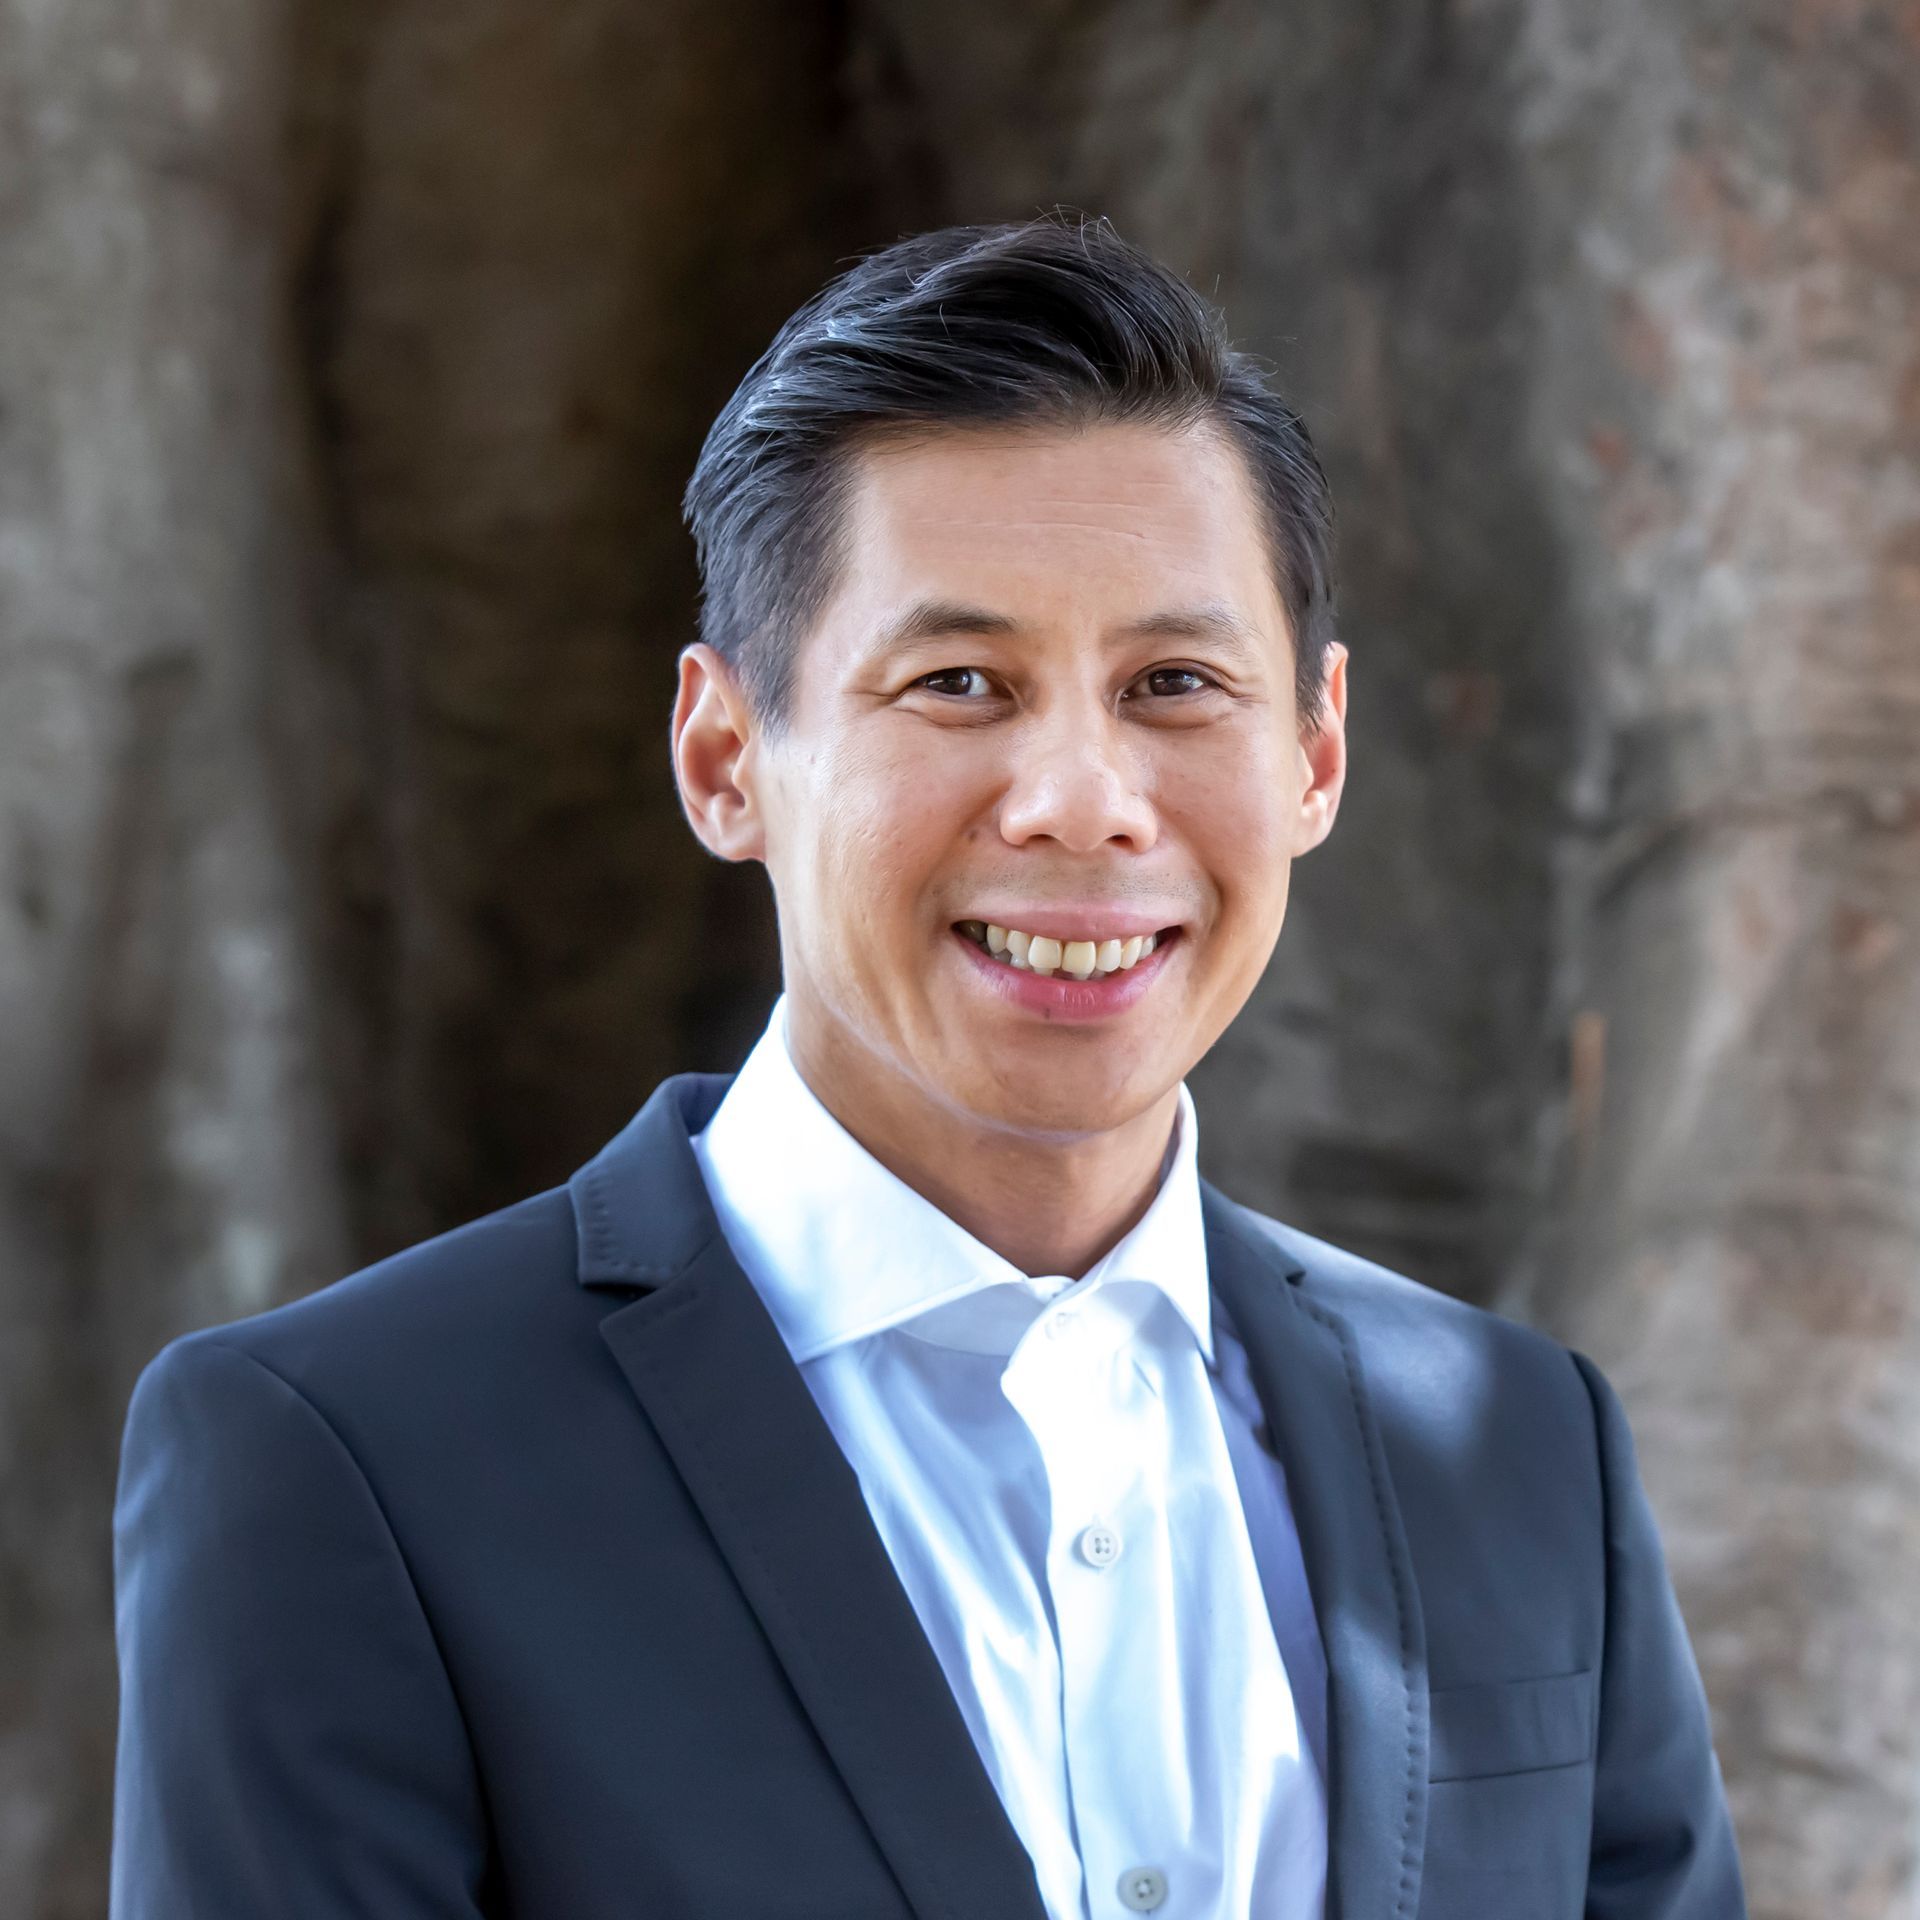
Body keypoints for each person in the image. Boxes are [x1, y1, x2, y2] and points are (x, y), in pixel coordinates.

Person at [109, 211, 1747, 1920]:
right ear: (728, 756)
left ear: (1316, 754)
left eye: (1177, 683)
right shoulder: (344, 1460)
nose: (1082, 797)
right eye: (960, 683)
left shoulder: (1518, 1446)